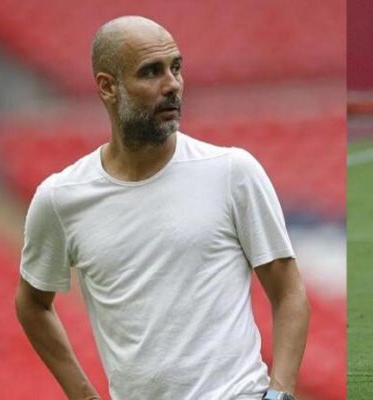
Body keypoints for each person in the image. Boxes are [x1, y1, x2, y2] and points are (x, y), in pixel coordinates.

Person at [15, 16, 309, 400]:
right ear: (108, 87)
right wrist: (82, 394)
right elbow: (32, 303)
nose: (172, 84)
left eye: (176, 67)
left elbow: (288, 291)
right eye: (151, 72)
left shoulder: (232, 171)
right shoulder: (61, 198)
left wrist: (280, 394)